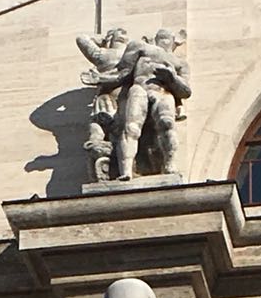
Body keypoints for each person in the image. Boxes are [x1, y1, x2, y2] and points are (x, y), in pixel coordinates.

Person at [99, 29, 192, 181]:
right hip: (139, 88)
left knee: (167, 123)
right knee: (131, 127)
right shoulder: (140, 47)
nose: (165, 40)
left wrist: (172, 78)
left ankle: (169, 165)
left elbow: (186, 91)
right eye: (162, 37)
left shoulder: (180, 63)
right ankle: (126, 170)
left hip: (162, 92)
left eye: (168, 38)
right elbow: (123, 73)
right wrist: (101, 79)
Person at [76, 27, 128, 182]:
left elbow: (81, 38)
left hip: (107, 99)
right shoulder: (133, 56)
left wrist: (102, 41)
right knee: (123, 133)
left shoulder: (105, 55)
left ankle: (98, 149)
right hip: (125, 100)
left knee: (97, 128)